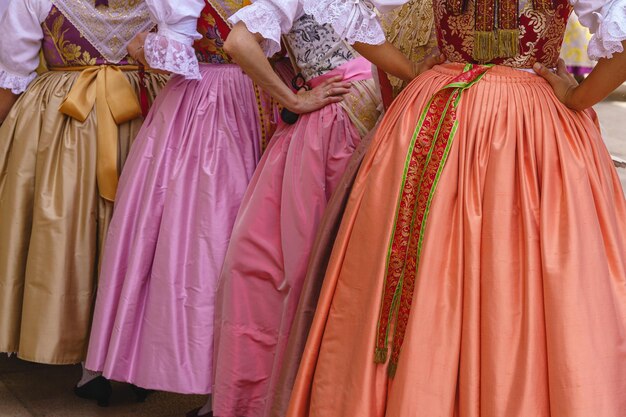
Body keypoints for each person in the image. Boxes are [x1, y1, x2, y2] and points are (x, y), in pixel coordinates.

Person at [283, 0, 626, 415]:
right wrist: (579, 95)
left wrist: (410, 72)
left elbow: (339, 8)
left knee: (430, 264)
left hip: (442, 109)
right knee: (536, 268)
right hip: (535, 124)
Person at [209, 0, 439, 415]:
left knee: (349, 273)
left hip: (379, 127)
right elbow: (239, 43)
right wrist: (295, 99)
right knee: (306, 269)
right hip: (343, 132)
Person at [83, 0, 291, 411]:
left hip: (208, 102)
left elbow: (177, 55)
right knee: (234, 237)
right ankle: (226, 382)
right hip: (266, 94)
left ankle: (145, 365)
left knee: (189, 235)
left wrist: (143, 46)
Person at [0, 0, 165, 374]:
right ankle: (126, 349)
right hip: (146, 111)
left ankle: (61, 335)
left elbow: (14, 69)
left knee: (60, 226)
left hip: (60, 120)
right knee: (137, 227)